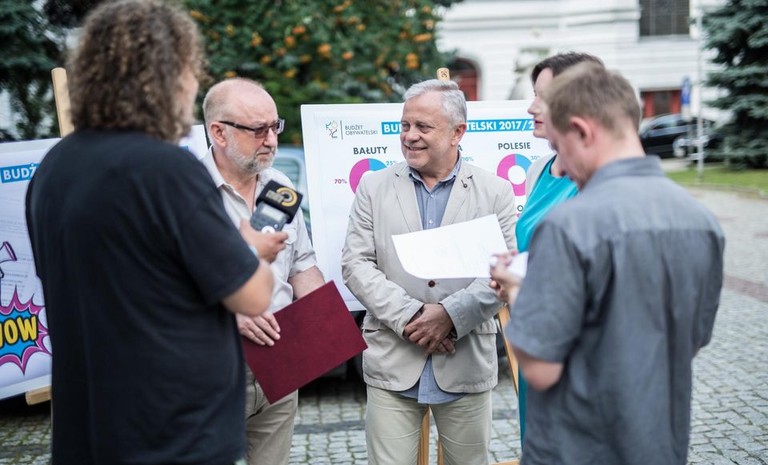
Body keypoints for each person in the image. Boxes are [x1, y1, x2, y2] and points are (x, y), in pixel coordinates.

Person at [25, 1, 274, 464]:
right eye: (190, 70)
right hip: (168, 432)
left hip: (88, 430)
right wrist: (251, 248)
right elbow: (252, 294)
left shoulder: (53, 168)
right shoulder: (165, 170)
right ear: (169, 77)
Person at [491, 63, 725, 464]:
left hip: (575, 446)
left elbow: (541, 369)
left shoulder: (568, 225)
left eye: (560, 147)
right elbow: (692, 340)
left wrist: (516, 289)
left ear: (582, 131)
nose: (561, 168)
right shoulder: (702, 221)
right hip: (659, 442)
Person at [341, 79, 517, 465]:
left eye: (423, 126)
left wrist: (451, 315)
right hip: (393, 359)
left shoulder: (496, 192)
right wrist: (413, 318)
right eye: (405, 125)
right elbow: (356, 264)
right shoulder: (373, 187)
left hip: (466, 361)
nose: (410, 136)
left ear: (457, 132)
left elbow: (504, 272)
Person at [201, 78, 325, 465]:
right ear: (218, 132)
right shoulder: (188, 193)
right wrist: (231, 315)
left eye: (275, 126)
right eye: (258, 130)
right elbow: (163, 288)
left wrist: (324, 327)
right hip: (214, 367)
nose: (271, 140)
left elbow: (301, 261)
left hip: (280, 360)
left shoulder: (280, 184)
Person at [513, 51, 603, 444]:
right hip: (537, 343)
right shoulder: (539, 170)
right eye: (533, 94)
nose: (532, 107)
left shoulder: (598, 177)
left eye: (543, 96)